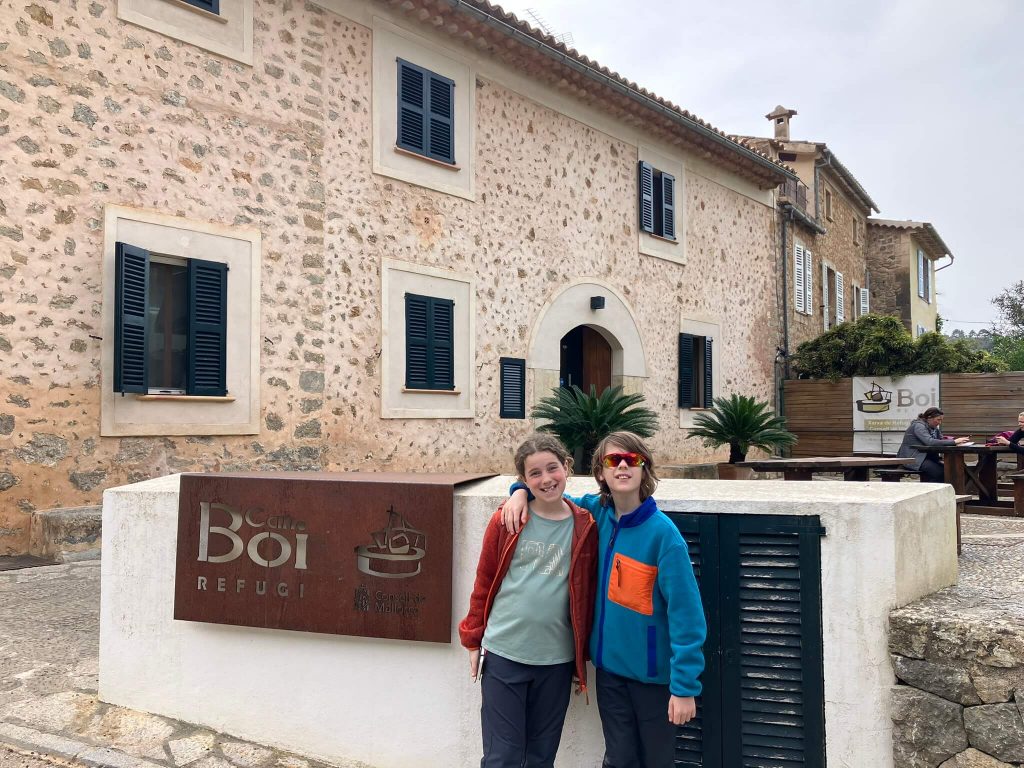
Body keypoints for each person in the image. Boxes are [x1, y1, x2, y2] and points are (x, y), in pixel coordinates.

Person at [503, 431, 706, 768]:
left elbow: (688, 617)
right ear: (600, 471)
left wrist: (685, 687)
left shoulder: (664, 535)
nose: (623, 466)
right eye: (613, 460)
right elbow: (551, 492)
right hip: (610, 674)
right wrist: (519, 493)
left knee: (657, 761)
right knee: (619, 759)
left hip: (655, 680)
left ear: (644, 468)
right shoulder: (594, 513)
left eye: (632, 459)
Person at [459, 434, 598, 768]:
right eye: (534, 474)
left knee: (540, 757)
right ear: (523, 479)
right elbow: (484, 581)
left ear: (567, 467)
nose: (546, 479)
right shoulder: (507, 521)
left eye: (553, 468)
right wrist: (472, 639)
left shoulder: (586, 526)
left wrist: (581, 659)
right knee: (501, 757)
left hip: (556, 660)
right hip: (505, 654)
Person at [896, 407, 971, 482]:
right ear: (929, 418)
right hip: (912, 459)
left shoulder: (933, 428)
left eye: (941, 420)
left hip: (927, 458)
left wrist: (956, 441)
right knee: (940, 472)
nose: (940, 423)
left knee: (952, 470)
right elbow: (930, 441)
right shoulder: (919, 426)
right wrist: (954, 442)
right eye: (938, 420)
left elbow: (941, 439)